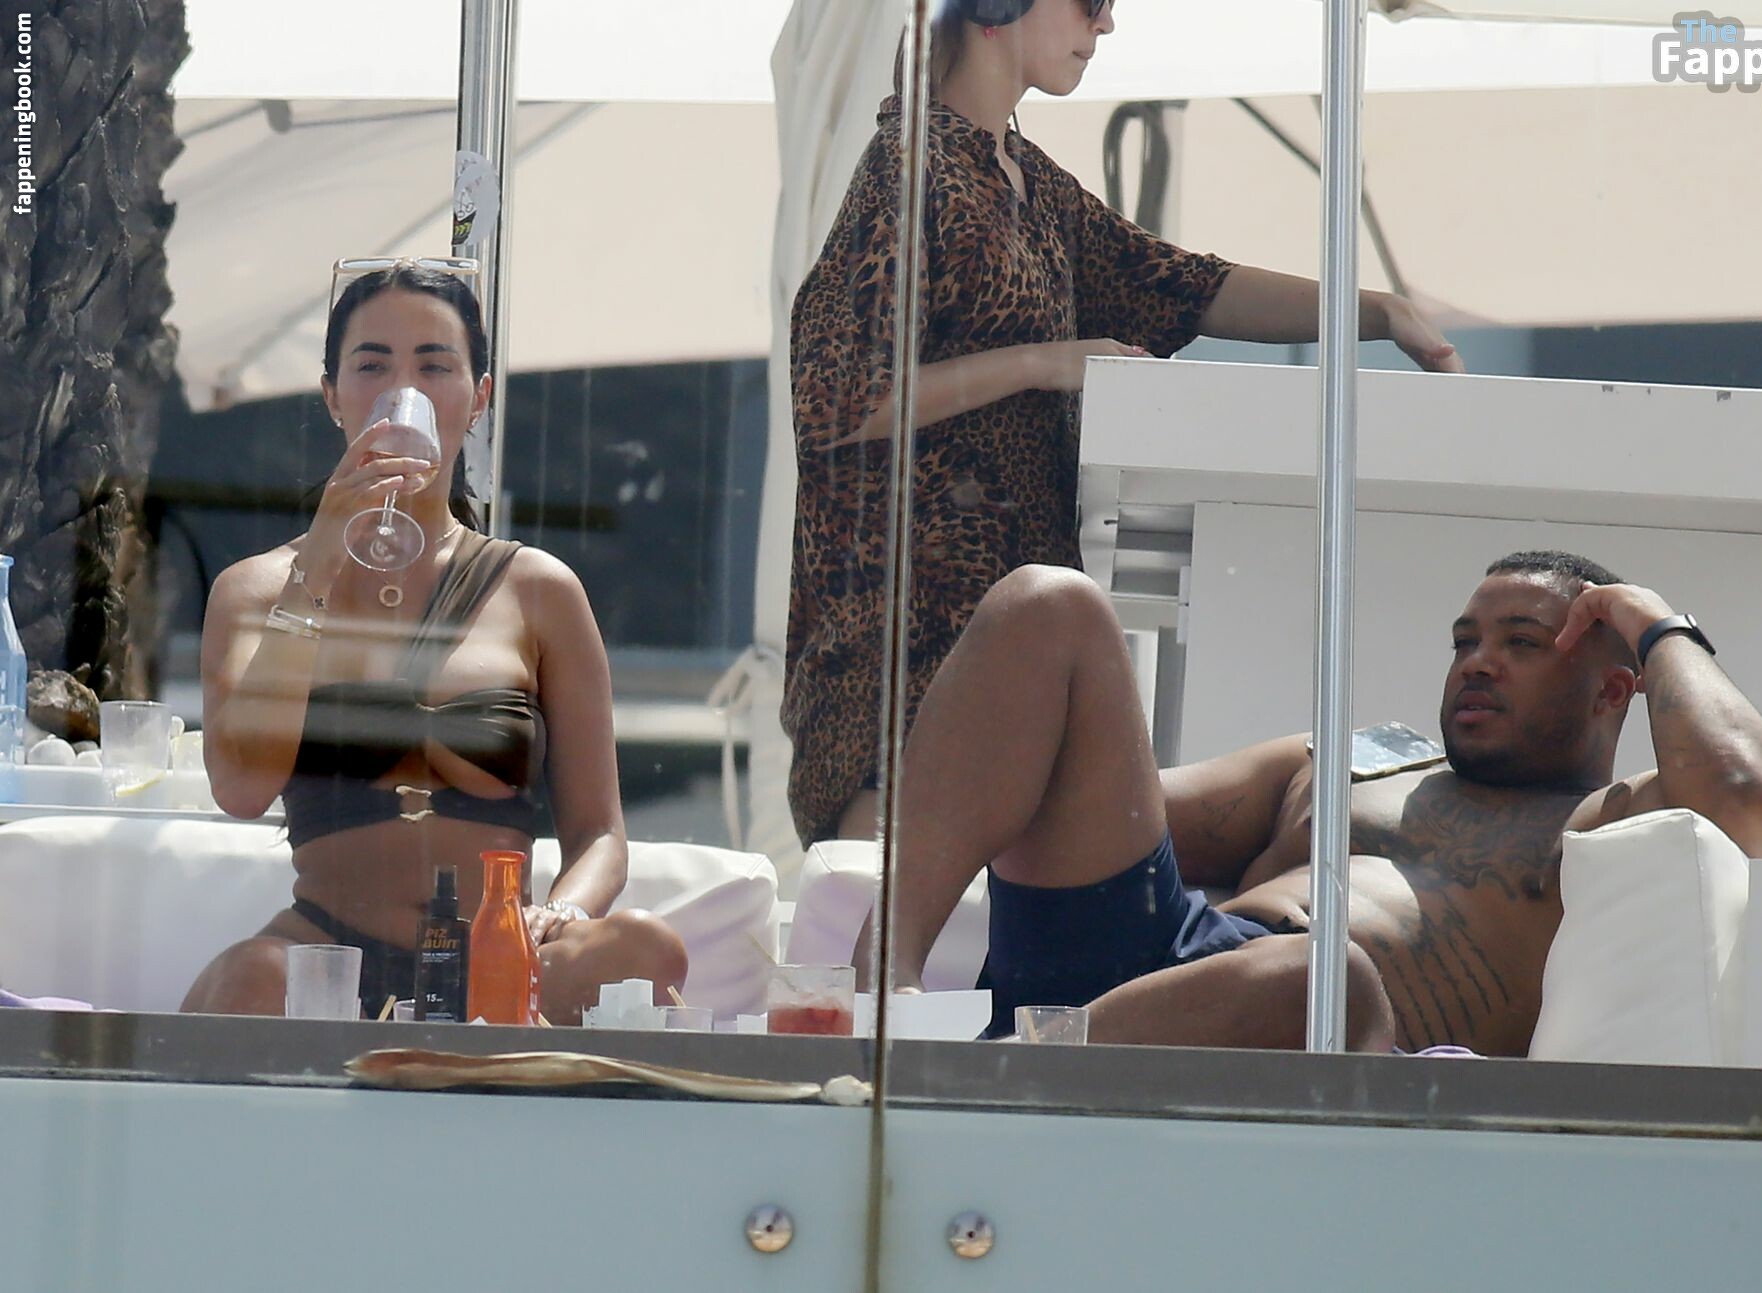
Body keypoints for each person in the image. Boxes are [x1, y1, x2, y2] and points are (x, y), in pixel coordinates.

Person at [785, 0, 1467, 848]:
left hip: (1004, 644)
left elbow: (1185, 285)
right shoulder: (908, 168)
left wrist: (1377, 311)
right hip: (903, 667)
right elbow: (838, 401)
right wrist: (1044, 361)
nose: (1104, 25)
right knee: (911, 924)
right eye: (1090, 1)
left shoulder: (1028, 184)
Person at [866, 551, 1762, 1054]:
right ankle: (877, 991)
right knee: (1048, 602)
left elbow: (1746, 794)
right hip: (1145, 965)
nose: (1478, 661)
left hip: (1314, 1039)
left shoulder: (1610, 822)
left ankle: (997, 1071)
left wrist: (1652, 618)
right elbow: (1056, 793)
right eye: (1465, 640)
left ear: (1614, 689)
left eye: (1522, 641)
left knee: (1321, 979)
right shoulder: (1349, 761)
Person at [182, 261, 687, 1024]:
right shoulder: (256, 589)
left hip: (498, 956)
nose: (402, 390)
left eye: (433, 365)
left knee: (647, 949)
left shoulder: (538, 590)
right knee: (251, 978)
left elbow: (599, 833)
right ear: (332, 395)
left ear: (477, 398)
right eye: (372, 365)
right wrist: (320, 559)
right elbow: (241, 789)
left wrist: (563, 914)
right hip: (327, 947)